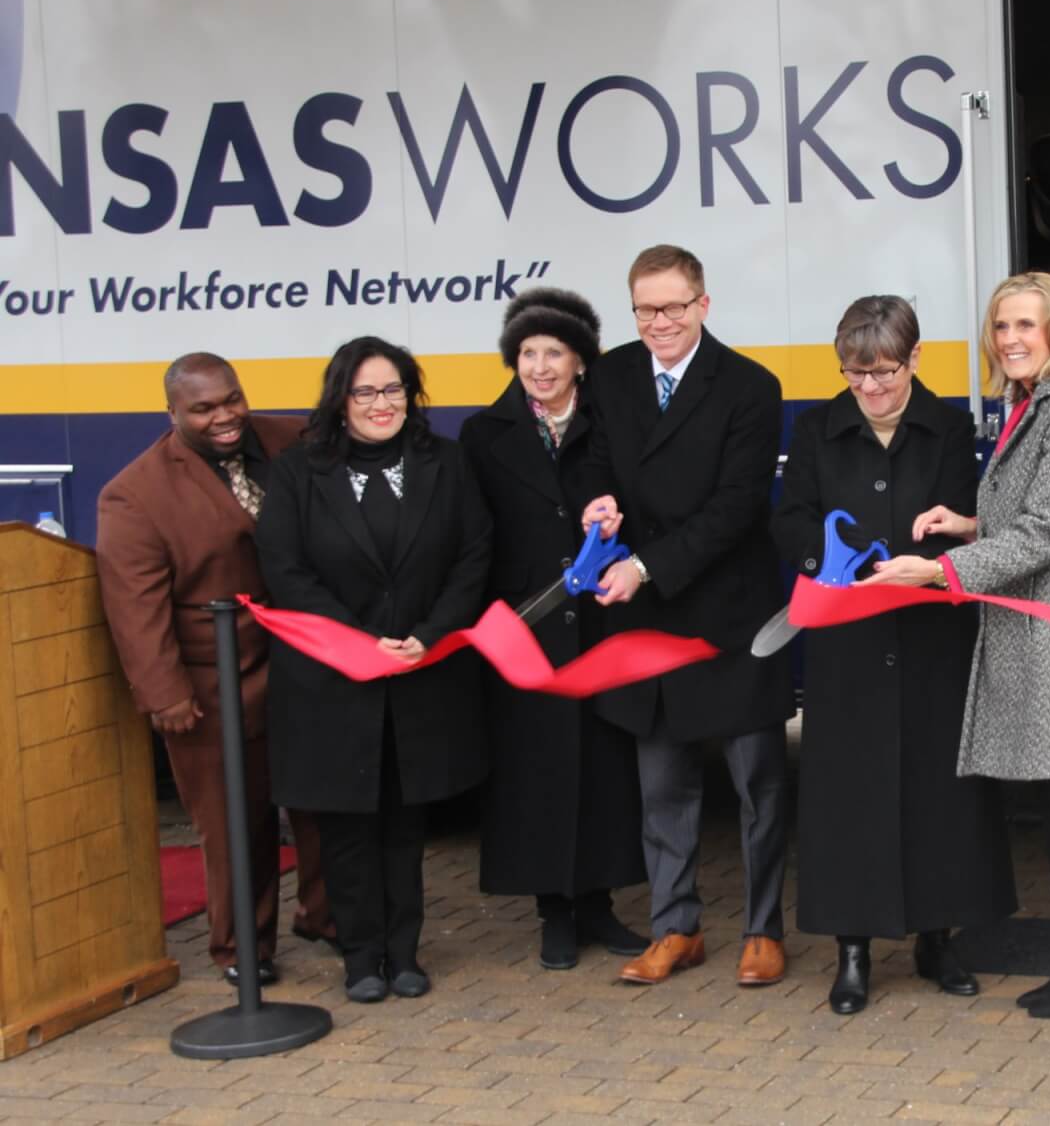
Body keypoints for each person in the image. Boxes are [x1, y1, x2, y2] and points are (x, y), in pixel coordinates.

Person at [864, 270, 1050, 1020]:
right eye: (1001, 326)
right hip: (1040, 621)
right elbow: (1037, 514)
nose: (1011, 339)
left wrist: (942, 569)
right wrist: (970, 526)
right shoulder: (1031, 402)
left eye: (1025, 325)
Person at [769, 295, 1017, 1015]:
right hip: (848, 637)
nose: (870, 387)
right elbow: (789, 517)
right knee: (849, 793)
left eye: (883, 372)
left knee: (939, 791)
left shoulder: (948, 427)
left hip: (930, 631)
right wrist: (826, 557)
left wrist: (929, 561)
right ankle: (853, 949)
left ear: (915, 359)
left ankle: (937, 937)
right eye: (855, 374)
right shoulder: (816, 429)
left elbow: (971, 520)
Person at [577, 245, 791, 988]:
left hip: (729, 617)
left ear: (704, 304)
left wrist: (645, 565)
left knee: (757, 785)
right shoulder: (609, 375)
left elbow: (736, 509)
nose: (658, 322)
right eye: (644, 309)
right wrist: (601, 506)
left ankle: (764, 930)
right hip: (647, 622)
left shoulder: (751, 388)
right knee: (663, 787)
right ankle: (676, 928)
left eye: (671, 306)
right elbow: (598, 461)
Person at [257, 336, 493, 1004]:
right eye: (365, 392)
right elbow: (286, 571)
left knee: (404, 824)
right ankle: (361, 957)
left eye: (393, 390)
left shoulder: (445, 463)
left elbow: (473, 555)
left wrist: (427, 633)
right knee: (347, 826)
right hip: (332, 683)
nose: (381, 404)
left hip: (421, 672)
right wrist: (362, 641)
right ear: (340, 399)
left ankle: (404, 952)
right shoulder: (298, 472)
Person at [96, 353, 333, 986]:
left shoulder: (297, 439)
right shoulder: (134, 493)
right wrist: (164, 696)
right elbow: (134, 608)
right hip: (212, 686)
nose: (225, 416)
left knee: (325, 803)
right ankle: (241, 950)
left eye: (231, 399)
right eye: (204, 408)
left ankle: (326, 915)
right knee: (237, 823)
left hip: (309, 665)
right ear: (172, 413)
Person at [458, 289, 648, 971]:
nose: (540, 366)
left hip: (601, 621)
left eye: (554, 353)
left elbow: (642, 508)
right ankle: (555, 912)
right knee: (534, 771)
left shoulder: (611, 426)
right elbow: (473, 536)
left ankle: (599, 903)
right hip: (527, 628)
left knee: (603, 765)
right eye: (528, 353)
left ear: (579, 362)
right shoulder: (485, 434)